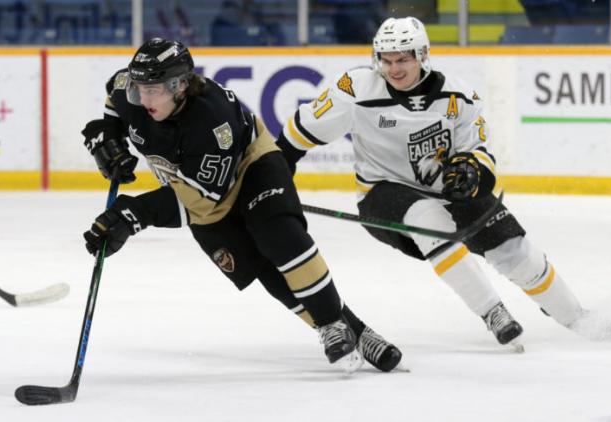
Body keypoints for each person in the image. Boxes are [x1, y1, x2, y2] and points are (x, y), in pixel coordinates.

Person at [276, 16, 611, 348]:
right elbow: (297, 135)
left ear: (422, 56)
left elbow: (480, 153)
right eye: (387, 60)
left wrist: (470, 172)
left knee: (513, 249)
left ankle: (574, 315)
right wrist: (273, 179)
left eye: (403, 59)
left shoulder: (459, 97)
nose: (394, 68)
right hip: (381, 193)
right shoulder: (355, 90)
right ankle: (492, 311)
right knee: (427, 218)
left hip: (445, 191)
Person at [80, 37, 402, 373]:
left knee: (276, 236)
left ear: (180, 85)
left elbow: (203, 200)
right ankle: (352, 330)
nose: (142, 98)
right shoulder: (131, 89)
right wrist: (108, 135)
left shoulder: (212, 121)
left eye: (153, 90)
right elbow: (114, 100)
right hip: (199, 190)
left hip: (250, 170)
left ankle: (331, 324)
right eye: (139, 89)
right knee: (260, 267)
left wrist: (133, 215)